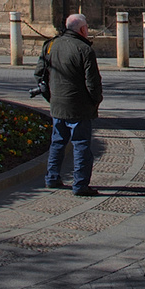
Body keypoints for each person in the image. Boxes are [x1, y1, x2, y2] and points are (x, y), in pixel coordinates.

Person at [44, 14, 103, 197]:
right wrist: (94, 101)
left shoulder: (51, 45)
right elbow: (93, 83)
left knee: (57, 142)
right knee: (81, 145)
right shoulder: (84, 49)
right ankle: (80, 185)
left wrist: (51, 98)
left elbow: (41, 74)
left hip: (57, 105)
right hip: (79, 107)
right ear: (83, 29)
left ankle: (52, 178)